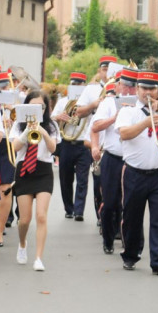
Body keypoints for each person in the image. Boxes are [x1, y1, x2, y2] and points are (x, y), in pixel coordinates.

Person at [116, 69, 158, 276]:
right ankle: (131, 254)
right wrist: (146, 122)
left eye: (152, 89)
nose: (148, 92)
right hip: (135, 174)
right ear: (137, 89)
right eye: (144, 88)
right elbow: (124, 134)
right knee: (132, 218)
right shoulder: (128, 111)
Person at [11, 89, 60, 271]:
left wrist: (42, 131)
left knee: (41, 215)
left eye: (40, 107)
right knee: (24, 219)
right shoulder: (18, 124)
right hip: (24, 170)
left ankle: (38, 257)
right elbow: (15, 147)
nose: (36, 109)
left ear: (45, 108)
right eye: (33, 106)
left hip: (43, 171)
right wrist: (26, 133)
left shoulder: (51, 125)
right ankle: (22, 243)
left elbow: (53, 148)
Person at [90, 78, 126, 254]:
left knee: (130, 203)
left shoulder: (143, 105)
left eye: (133, 85)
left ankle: (129, 241)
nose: (128, 88)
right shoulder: (109, 103)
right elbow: (95, 126)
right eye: (125, 84)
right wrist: (114, 118)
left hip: (133, 161)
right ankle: (108, 238)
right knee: (110, 202)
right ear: (118, 86)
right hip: (112, 158)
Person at [52, 71, 92, 220]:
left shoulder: (89, 102)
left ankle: (79, 211)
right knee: (65, 178)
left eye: (79, 84)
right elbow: (52, 118)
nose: (76, 86)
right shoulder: (63, 102)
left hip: (83, 144)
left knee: (82, 179)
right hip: (67, 143)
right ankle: (69, 208)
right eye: (74, 84)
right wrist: (58, 117)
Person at [0, 71, 18, 247]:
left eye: (5, 86)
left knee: (5, 188)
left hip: (8, 145)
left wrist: (12, 116)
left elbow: (24, 125)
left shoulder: (15, 102)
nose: (3, 90)